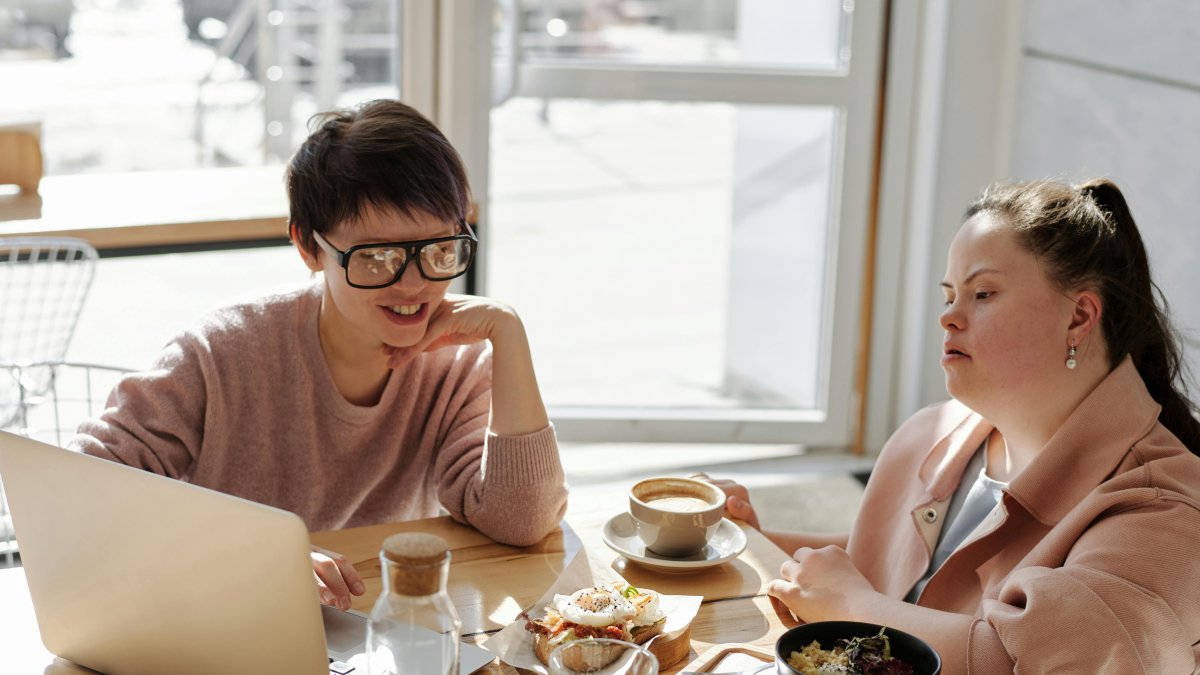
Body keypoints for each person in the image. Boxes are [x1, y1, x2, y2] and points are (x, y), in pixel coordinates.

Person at [70, 99, 568, 611]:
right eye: (377, 257)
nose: (415, 284)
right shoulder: (221, 352)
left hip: (376, 628)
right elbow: (82, 488)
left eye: (440, 249)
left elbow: (523, 522)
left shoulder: (457, 364)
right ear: (309, 247)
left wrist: (508, 333)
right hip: (226, 615)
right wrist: (258, 556)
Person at [710, 179, 1200, 673]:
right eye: (949, 296)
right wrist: (752, 540)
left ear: (1079, 316)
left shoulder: (1163, 512)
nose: (948, 318)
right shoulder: (934, 434)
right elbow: (886, 564)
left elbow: (1030, 661)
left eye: (982, 293)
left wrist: (854, 607)